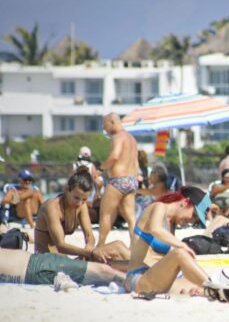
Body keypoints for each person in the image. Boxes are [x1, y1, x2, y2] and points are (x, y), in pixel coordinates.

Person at [34, 167, 130, 268]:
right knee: (110, 255)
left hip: (64, 261)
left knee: (118, 246)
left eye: (84, 199)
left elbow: (89, 235)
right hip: (46, 264)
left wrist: (89, 248)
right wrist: (89, 253)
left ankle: (139, 271)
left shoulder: (81, 205)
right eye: (76, 198)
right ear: (67, 190)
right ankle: (138, 271)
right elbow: (60, 245)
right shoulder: (52, 207)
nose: (79, 203)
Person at [125, 186, 211, 294]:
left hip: (156, 278)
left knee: (196, 284)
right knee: (180, 254)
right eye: (193, 215)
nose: (191, 221)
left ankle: (212, 288)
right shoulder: (159, 207)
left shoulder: (171, 223)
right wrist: (182, 245)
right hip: (138, 279)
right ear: (185, 202)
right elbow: (155, 229)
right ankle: (214, 288)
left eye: (195, 221)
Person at [97, 113, 139, 247]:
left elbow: (115, 156)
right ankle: (135, 246)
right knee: (131, 217)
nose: (105, 130)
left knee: (105, 213)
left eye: (105, 126)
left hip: (118, 180)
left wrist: (100, 169)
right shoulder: (132, 138)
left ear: (112, 122)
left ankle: (100, 245)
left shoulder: (117, 137)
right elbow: (136, 162)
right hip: (132, 180)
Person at [0, 248, 125, 286]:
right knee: (104, 271)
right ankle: (138, 281)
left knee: (104, 271)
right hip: (38, 267)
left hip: (39, 265)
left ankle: (137, 278)